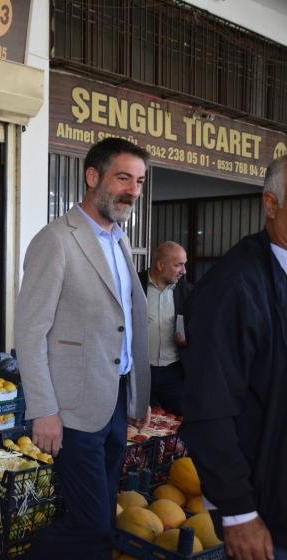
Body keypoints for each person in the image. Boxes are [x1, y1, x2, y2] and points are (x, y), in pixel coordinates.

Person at [14, 137, 151, 558]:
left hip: (113, 402)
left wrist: (137, 394)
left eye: (140, 181)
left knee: (98, 518)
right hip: (70, 412)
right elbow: (30, 332)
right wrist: (44, 410)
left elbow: (123, 323)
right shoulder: (55, 240)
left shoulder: (120, 241)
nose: (133, 190)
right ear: (93, 177)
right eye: (123, 177)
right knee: (93, 526)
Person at [180, 155, 287, 560]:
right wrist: (239, 512)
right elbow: (210, 409)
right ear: (271, 205)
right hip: (268, 515)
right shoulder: (234, 287)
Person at [138, 241, 193, 416]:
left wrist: (188, 339)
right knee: (137, 426)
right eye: (179, 265)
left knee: (181, 420)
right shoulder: (134, 286)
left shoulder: (188, 292)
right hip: (138, 372)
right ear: (161, 265)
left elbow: (202, 329)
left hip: (173, 372)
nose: (184, 271)